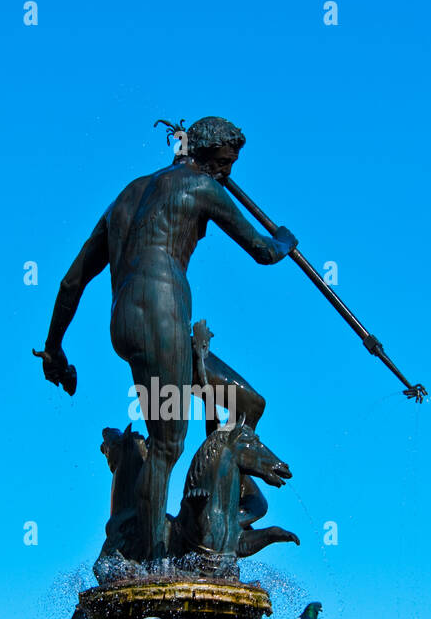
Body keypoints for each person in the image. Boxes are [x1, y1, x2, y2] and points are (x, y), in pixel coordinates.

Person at [38, 116, 297, 561]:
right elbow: (263, 251)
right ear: (208, 157)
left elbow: (71, 281)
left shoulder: (128, 196)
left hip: (125, 321)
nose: (227, 173)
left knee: (244, 403)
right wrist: (285, 238)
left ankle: (215, 504)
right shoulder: (202, 187)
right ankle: (157, 559)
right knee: (167, 443)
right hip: (163, 318)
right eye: (225, 163)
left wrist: (54, 348)